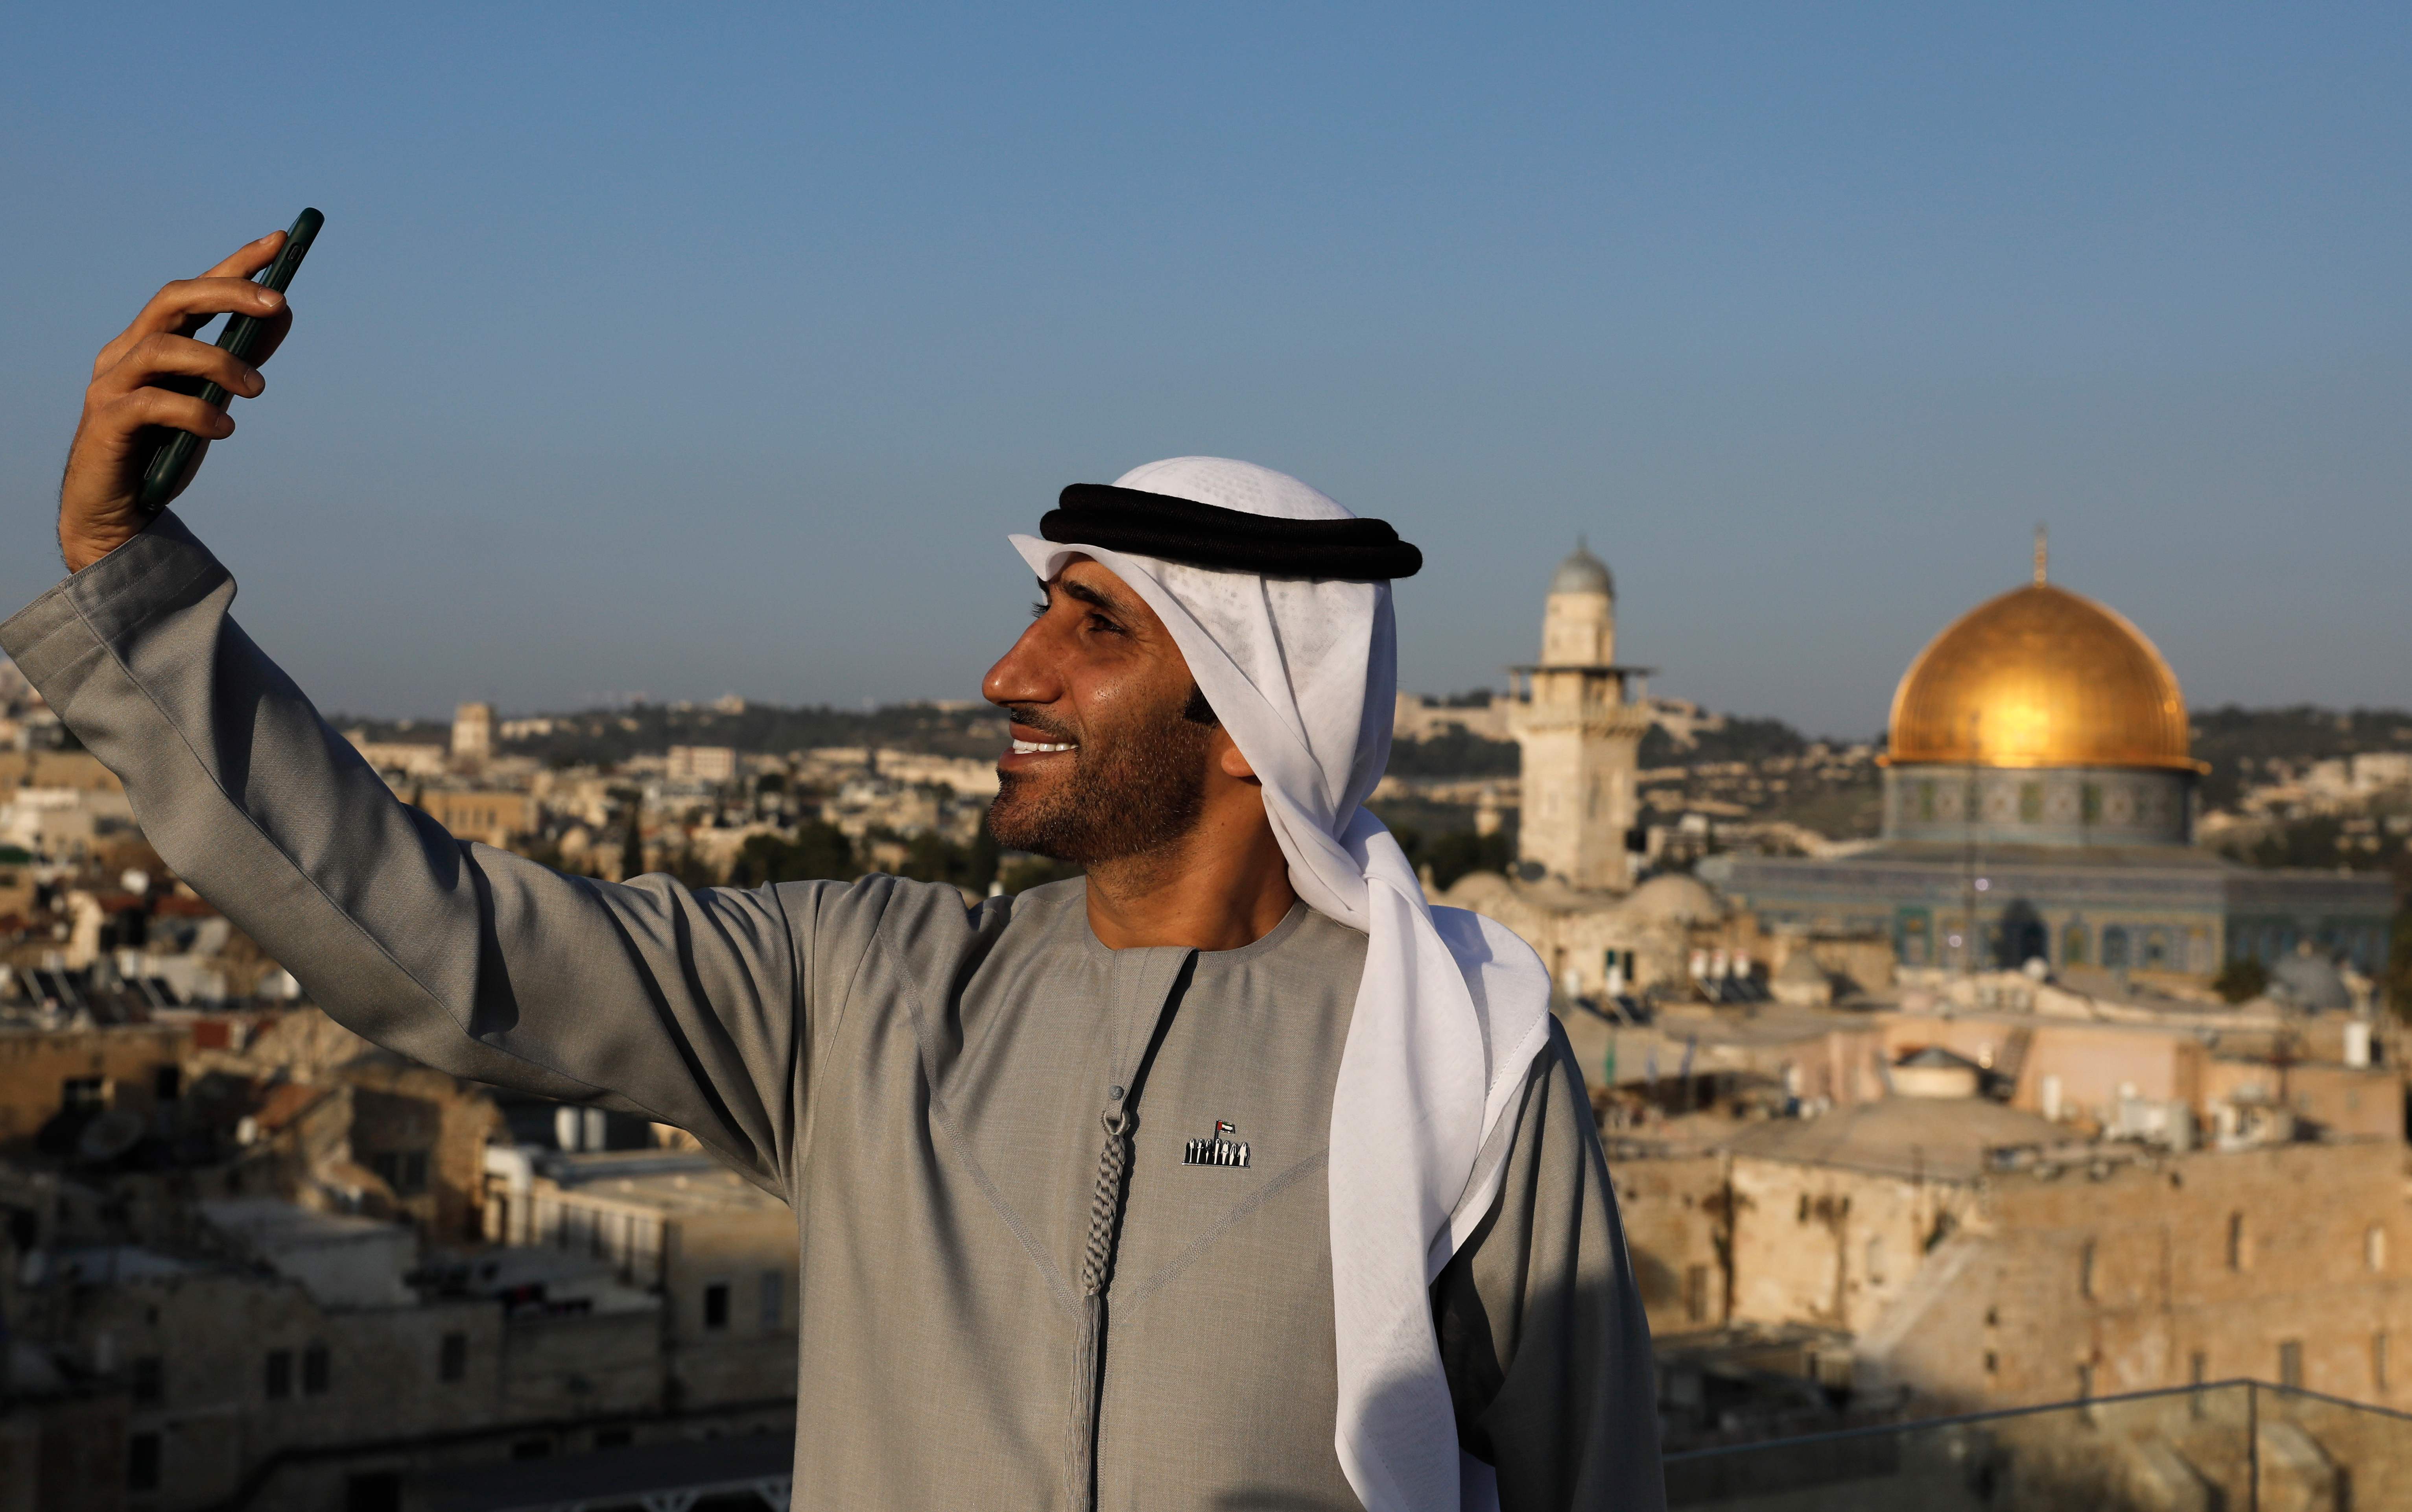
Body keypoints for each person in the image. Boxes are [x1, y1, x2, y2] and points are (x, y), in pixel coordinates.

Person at [19, 230, 1664, 1511]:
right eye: (1036, 612)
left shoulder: (1454, 1064)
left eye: (1092, 628)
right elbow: (439, 940)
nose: (1008, 673)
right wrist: (126, 583)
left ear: (1251, 719)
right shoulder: (866, 992)